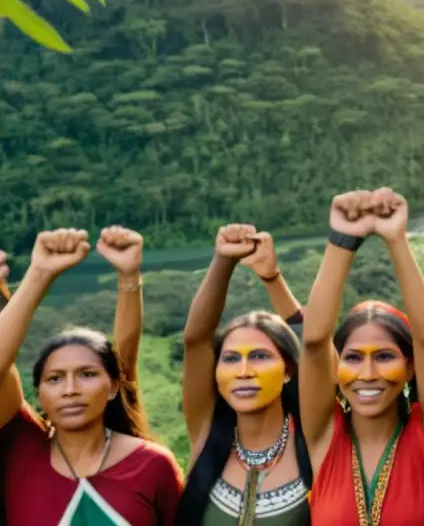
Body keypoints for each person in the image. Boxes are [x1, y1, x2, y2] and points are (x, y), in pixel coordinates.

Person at [301, 188, 424, 525]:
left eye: (385, 356)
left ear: (409, 368)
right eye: (354, 358)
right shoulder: (324, 440)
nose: (368, 373)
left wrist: (397, 241)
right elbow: (315, 342)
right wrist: (340, 242)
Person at [0, 227, 182, 525]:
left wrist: (128, 278)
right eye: (54, 379)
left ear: (112, 387)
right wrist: (39, 274)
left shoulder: (151, 466)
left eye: (87, 374)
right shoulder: (21, 452)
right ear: (38, 393)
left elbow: (125, 361)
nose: (70, 389)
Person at [176, 225, 312, 526]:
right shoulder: (207, 431)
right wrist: (223, 262)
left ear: (288, 369)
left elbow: (318, 347)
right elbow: (196, 340)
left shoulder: (316, 440)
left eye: (260, 356)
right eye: (230, 358)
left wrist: (272, 278)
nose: (243, 371)